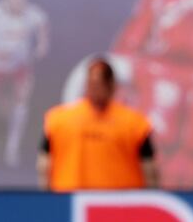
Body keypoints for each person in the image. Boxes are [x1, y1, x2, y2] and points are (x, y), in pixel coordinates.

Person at [38, 58, 159, 191]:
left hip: (118, 201)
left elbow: (149, 169)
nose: (96, 87)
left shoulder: (134, 123)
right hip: (74, 199)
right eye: (94, 83)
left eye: (99, 83)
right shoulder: (59, 120)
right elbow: (44, 164)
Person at [0, 0, 49, 167]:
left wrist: (41, 46)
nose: (18, 3)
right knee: (3, 107)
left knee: (22, 101)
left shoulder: (33, 14)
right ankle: (1, 128)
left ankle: (12, 147)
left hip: (20, 66)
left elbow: (42, 29)